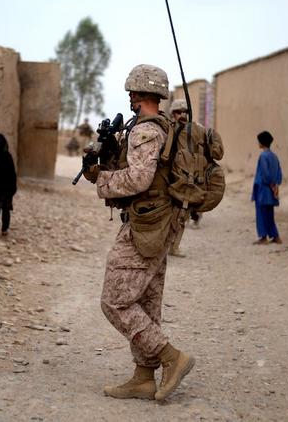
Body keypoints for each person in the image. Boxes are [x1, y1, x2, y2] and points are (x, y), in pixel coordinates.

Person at [82, 64, 194, 401]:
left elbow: (139, 179)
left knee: (114, 301)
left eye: (132, 91)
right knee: (146, 302)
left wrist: (102, 179)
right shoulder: (163, 127)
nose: (129, 96)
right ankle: (144, 377)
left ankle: (171, 357)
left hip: (145, 226)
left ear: (140, 94)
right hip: (160, 224)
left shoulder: (145, 131)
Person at [167, 99, 204, 257]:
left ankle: (174, 247)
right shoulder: (167, 128)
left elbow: (203, 152)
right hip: (168, 177)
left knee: (182, 215)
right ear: (173, 114)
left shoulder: (196, 130)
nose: (182, 115)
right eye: (178, 112)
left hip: (187, 178)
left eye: (185, 112)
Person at [251, 131, 282, 245]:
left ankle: (263, 237)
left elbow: (264, 174)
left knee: (261, 213)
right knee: (270, 214)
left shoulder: (263, 156)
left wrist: (270, 184)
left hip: (263, 189)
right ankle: (275, 236)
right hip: (272, 189)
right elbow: (279, 172)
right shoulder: (274, 156)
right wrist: (275, 186)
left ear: (262, 143)